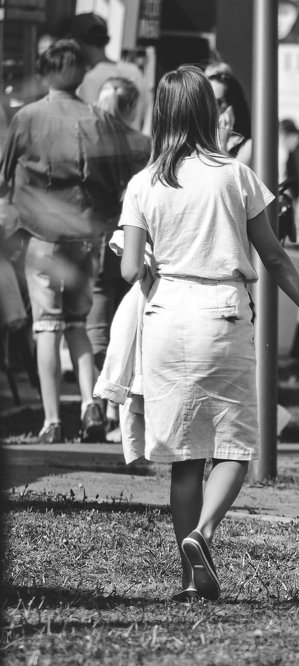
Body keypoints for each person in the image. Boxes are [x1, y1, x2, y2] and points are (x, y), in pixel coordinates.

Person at [117, 65, 299, 602]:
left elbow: (129, 270)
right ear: (204, 110)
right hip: (221, 312)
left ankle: (189, 577)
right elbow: (274, 255)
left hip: (167, 315)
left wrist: (152, 257)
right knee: (234, 447)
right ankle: (205, 533)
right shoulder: (233, 175)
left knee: (182, 455)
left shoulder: (144, 182)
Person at [0, 40, 123, 444]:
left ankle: (52, 420)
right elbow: (113, 182)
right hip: (86, 236)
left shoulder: (27, 117)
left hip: (41, 235)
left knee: (47, 326)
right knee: (77, 325)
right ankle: (91, 405)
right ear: (83, 73)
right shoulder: (97, 118)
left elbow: (4, 176)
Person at [86, 76, 152, 443]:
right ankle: (116, 406)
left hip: (93, 240)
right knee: (126, 324)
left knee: (97, 325)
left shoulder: (88, 141)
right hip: (131, 242)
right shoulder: (142, 145)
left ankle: (96, 401)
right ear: (131, 107)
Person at [71, 13, 150, 133]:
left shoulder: (89, 79)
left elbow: (88, 128)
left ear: (77, 42)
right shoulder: (134, 71)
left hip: (105, 150)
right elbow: (147, 116)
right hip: (137, 147)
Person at [206, 70, 253, 166]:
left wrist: (222, 145)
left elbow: (233, 177)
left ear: (232, 106)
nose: (209, 109)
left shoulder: (248, 146)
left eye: (217, 103)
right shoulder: (202, 140)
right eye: (205, 102)